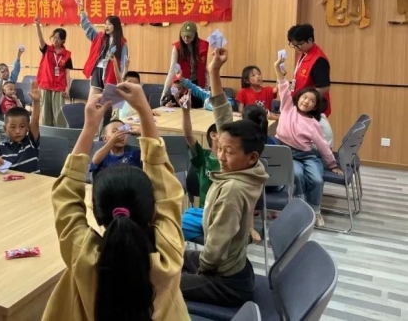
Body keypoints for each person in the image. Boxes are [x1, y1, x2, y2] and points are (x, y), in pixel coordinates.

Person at [42, 83, 188, 321]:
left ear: (96, 212)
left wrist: (89, 127)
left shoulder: (83, 255)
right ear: (151, 209)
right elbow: (167, 192)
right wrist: (144, 112)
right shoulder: (168, 255)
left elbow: (64, 195)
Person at [179, 47, 269, 307]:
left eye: (228, 152)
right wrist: (214, 70)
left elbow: (216, 247)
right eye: (220, 148)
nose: (220, 155)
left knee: (158, 280)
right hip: (236, 268)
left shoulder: (233, 190)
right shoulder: (248, 166)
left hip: (225, 280)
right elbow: (222, 114)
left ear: (251, 157)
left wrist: (199, 274)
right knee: (170, 255)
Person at [274, 54, 341, 227]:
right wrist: (277, 68)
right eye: (305, 97)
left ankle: (315, 211)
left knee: (317, 179)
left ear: (315, 106)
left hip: (307, 155)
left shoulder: (313, 123)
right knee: (297, 175)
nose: (307, 101)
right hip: (287, 154)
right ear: (298, 98)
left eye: (312, 101)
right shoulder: (287, 107)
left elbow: (322, 145)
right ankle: (301, 208)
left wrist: (332, 164)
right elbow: (283, 85)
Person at [0, 82, 41, 174]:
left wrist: (36, 101)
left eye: (22, 127)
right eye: (13, 127)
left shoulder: (30, 142)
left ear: (27, 128)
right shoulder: (2, 146)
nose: (17, 131)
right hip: (12, 181)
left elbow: (34, 122)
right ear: (5, 129)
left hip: (33, 181)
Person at [75, 0, 128, 98]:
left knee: (107, 103)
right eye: (105, 24)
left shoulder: (122, 43)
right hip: (97, 71)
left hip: (111, 74)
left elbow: (123, 64)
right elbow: (87, 26)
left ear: (116, 26)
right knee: (92, 101)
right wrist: (81, 9)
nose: (106, 26)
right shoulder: (100, 37)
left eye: (109, 24)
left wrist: (121, 78)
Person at [34, 16, 73, 127]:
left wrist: (68, 87)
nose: (55, 40)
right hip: (46, 85)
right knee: (46, 113)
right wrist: (37, 25)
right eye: (54, 37)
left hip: (59, 87)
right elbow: (40, 39)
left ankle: (59, 133)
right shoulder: (47, 49)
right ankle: (47, 133)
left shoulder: (67, 55)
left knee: (58, 114)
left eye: (58, 38)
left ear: (63, 41)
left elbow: (67, 73)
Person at [161, 21, 210, 108]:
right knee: (176, 107)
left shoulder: (203, 46)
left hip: (196, 84)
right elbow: (172, 70)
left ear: (195, 35)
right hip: (180, 84)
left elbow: (205, 71)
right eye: (183, 36)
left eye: (189, 36)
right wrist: (164, 92)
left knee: (196, 109)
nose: (186, 38)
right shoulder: (177, 47)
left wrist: (206, 91)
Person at [287, 23, 331, 116]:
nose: (296, 48)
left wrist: (305, 102)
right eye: (294, 45)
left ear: (310, 40)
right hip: (300, 106)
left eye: (299, 44)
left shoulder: (319, 60)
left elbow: (324, 88)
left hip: (312, 110)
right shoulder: (302, 53)